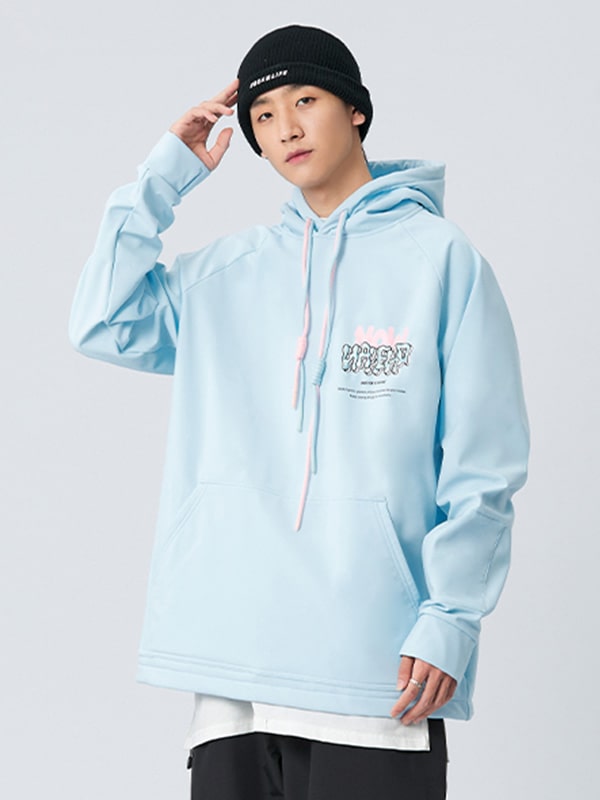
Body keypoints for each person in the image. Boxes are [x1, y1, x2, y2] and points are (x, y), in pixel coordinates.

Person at [69, 24, 529, 800]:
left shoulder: (441, 262)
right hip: (232, 677)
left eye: (305, 100)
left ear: (355, 109)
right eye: (262, 114)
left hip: (376, 678)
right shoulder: (225, 275)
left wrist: (452, 616)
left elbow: (485, 462)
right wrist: (164, 175)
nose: (284, 126)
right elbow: (101, 321)